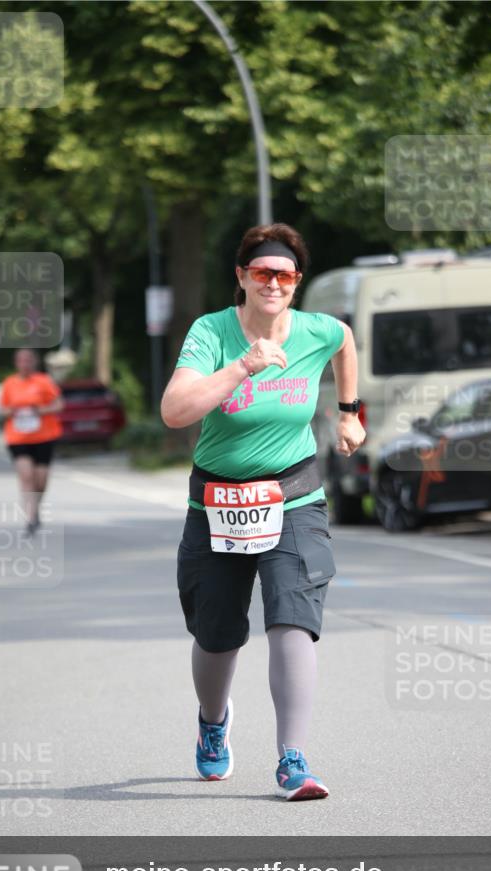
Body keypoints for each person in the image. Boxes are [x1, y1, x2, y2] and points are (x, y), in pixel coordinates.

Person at [161, 222, 366, 801]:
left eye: (284, 275)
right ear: (242, 278)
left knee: (292, 618)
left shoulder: (316, 331)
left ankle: (293, 760)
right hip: (218, 500)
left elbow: (345, 339)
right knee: (217, 635)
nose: (273, 283)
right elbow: (176, 411)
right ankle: (212, 721)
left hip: (293, 496)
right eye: (262, 273)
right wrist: (242, 368)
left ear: (296, 283)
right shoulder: (212, 332)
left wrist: (349, 411)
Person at [0, 348, 63, 535]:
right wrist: (12, 411)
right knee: (26, 476)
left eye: (28, 360)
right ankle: (31, 517)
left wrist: (39, 410)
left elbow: (59, 405)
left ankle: (35, 507)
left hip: (44, 437)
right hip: (17, 438)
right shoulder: (9, 383)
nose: (24, 364)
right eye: (21, 360)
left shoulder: (43, 381)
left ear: (34, 362)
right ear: (16, 363)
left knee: (41, 480)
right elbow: (2, 409)